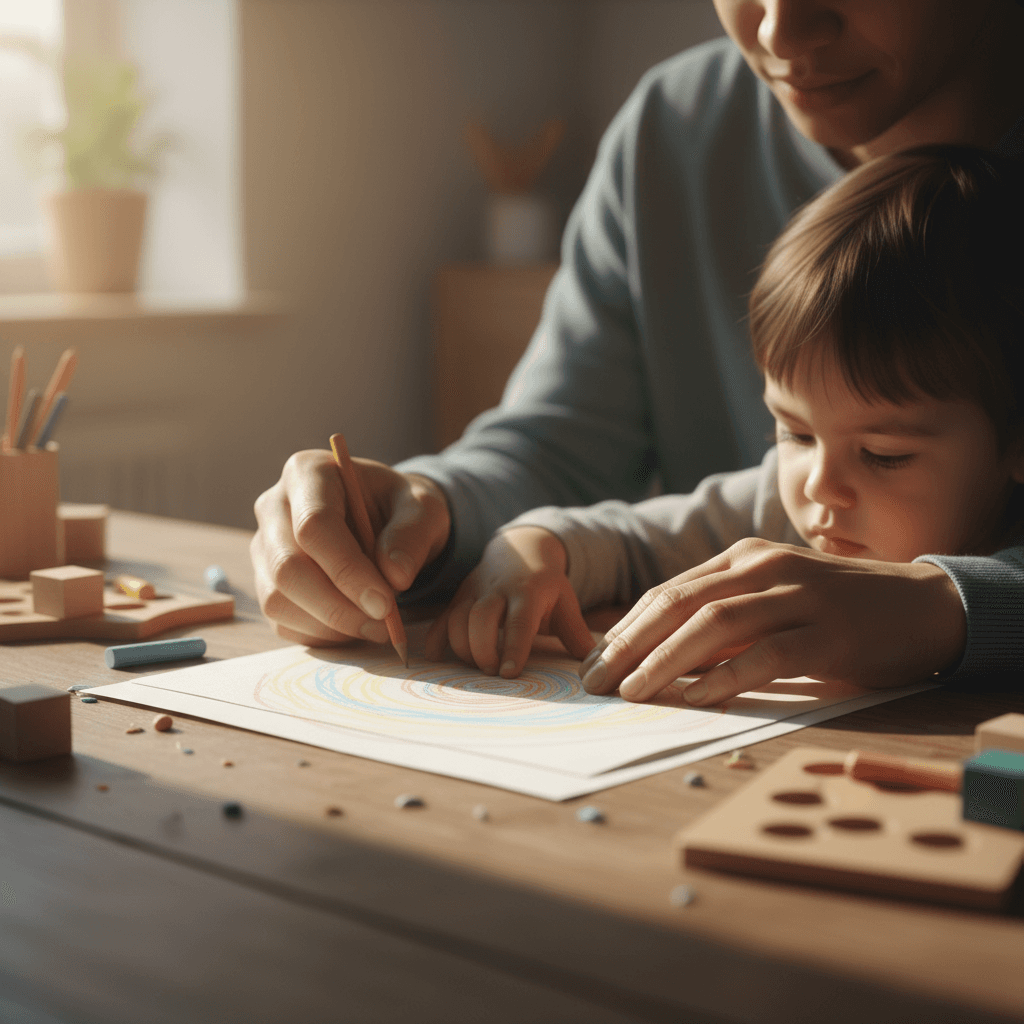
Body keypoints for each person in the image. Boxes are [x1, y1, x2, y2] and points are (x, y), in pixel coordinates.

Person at [250, 1, 1024, 687]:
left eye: (884, 453)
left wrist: (952, 607)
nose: (780, 31)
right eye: (792, 432)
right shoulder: (675, 124)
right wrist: (426, 514)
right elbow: (561, 453)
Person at [426, 145, 1024, 706]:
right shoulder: (774, 507)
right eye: (796, 433)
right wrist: (538, 544)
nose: (819, 485)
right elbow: (631, 544)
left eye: (884, 453)